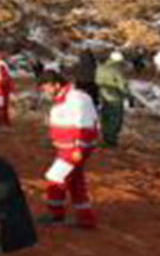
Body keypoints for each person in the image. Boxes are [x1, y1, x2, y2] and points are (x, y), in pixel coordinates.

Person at [39, 70, 101, 228]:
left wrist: (79, 148)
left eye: (46, 87)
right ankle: (86, 218)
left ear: (57, 85)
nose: (44, 91)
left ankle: (56, 214)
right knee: (75, 181)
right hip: (67, 148)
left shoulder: (77, 98)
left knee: (55, 178)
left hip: (74, 150)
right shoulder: (62, 99)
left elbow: (85, 125)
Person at [96, 51, 136, 148]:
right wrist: (130, 97)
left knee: (105, 117)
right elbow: (123, 86)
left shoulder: (100, 67)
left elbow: (97, 81)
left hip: (103, 96)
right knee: (115, 119)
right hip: (115, 98)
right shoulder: (116, 70)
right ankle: (111, 140)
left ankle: (105, 137)